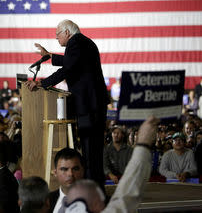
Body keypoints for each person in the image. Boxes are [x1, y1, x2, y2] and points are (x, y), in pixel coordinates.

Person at [26, 19, 109, 190]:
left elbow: (67, 69)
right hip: (93, 104)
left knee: (90, 150)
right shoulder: (82, 43)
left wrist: (42, 83)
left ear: (67, 33)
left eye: (57, 35)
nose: (56, 38)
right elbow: (72, 62)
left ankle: (93, 192)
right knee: (92, 149)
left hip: (89, 105)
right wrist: (49, 57)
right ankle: (96, 190)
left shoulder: (76, 42)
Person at [62, 116, 159, 213]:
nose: (116, 135)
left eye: (118, 133)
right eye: (114, 133)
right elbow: (124, 200)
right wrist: (143, 145)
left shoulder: (129, 150)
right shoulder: (107, 149)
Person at [48, 147, 85, 213]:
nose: (70, 174)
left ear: (82, 171)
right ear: (55, 173)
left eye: (75, 169)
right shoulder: (45, 201)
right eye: (64, 169)